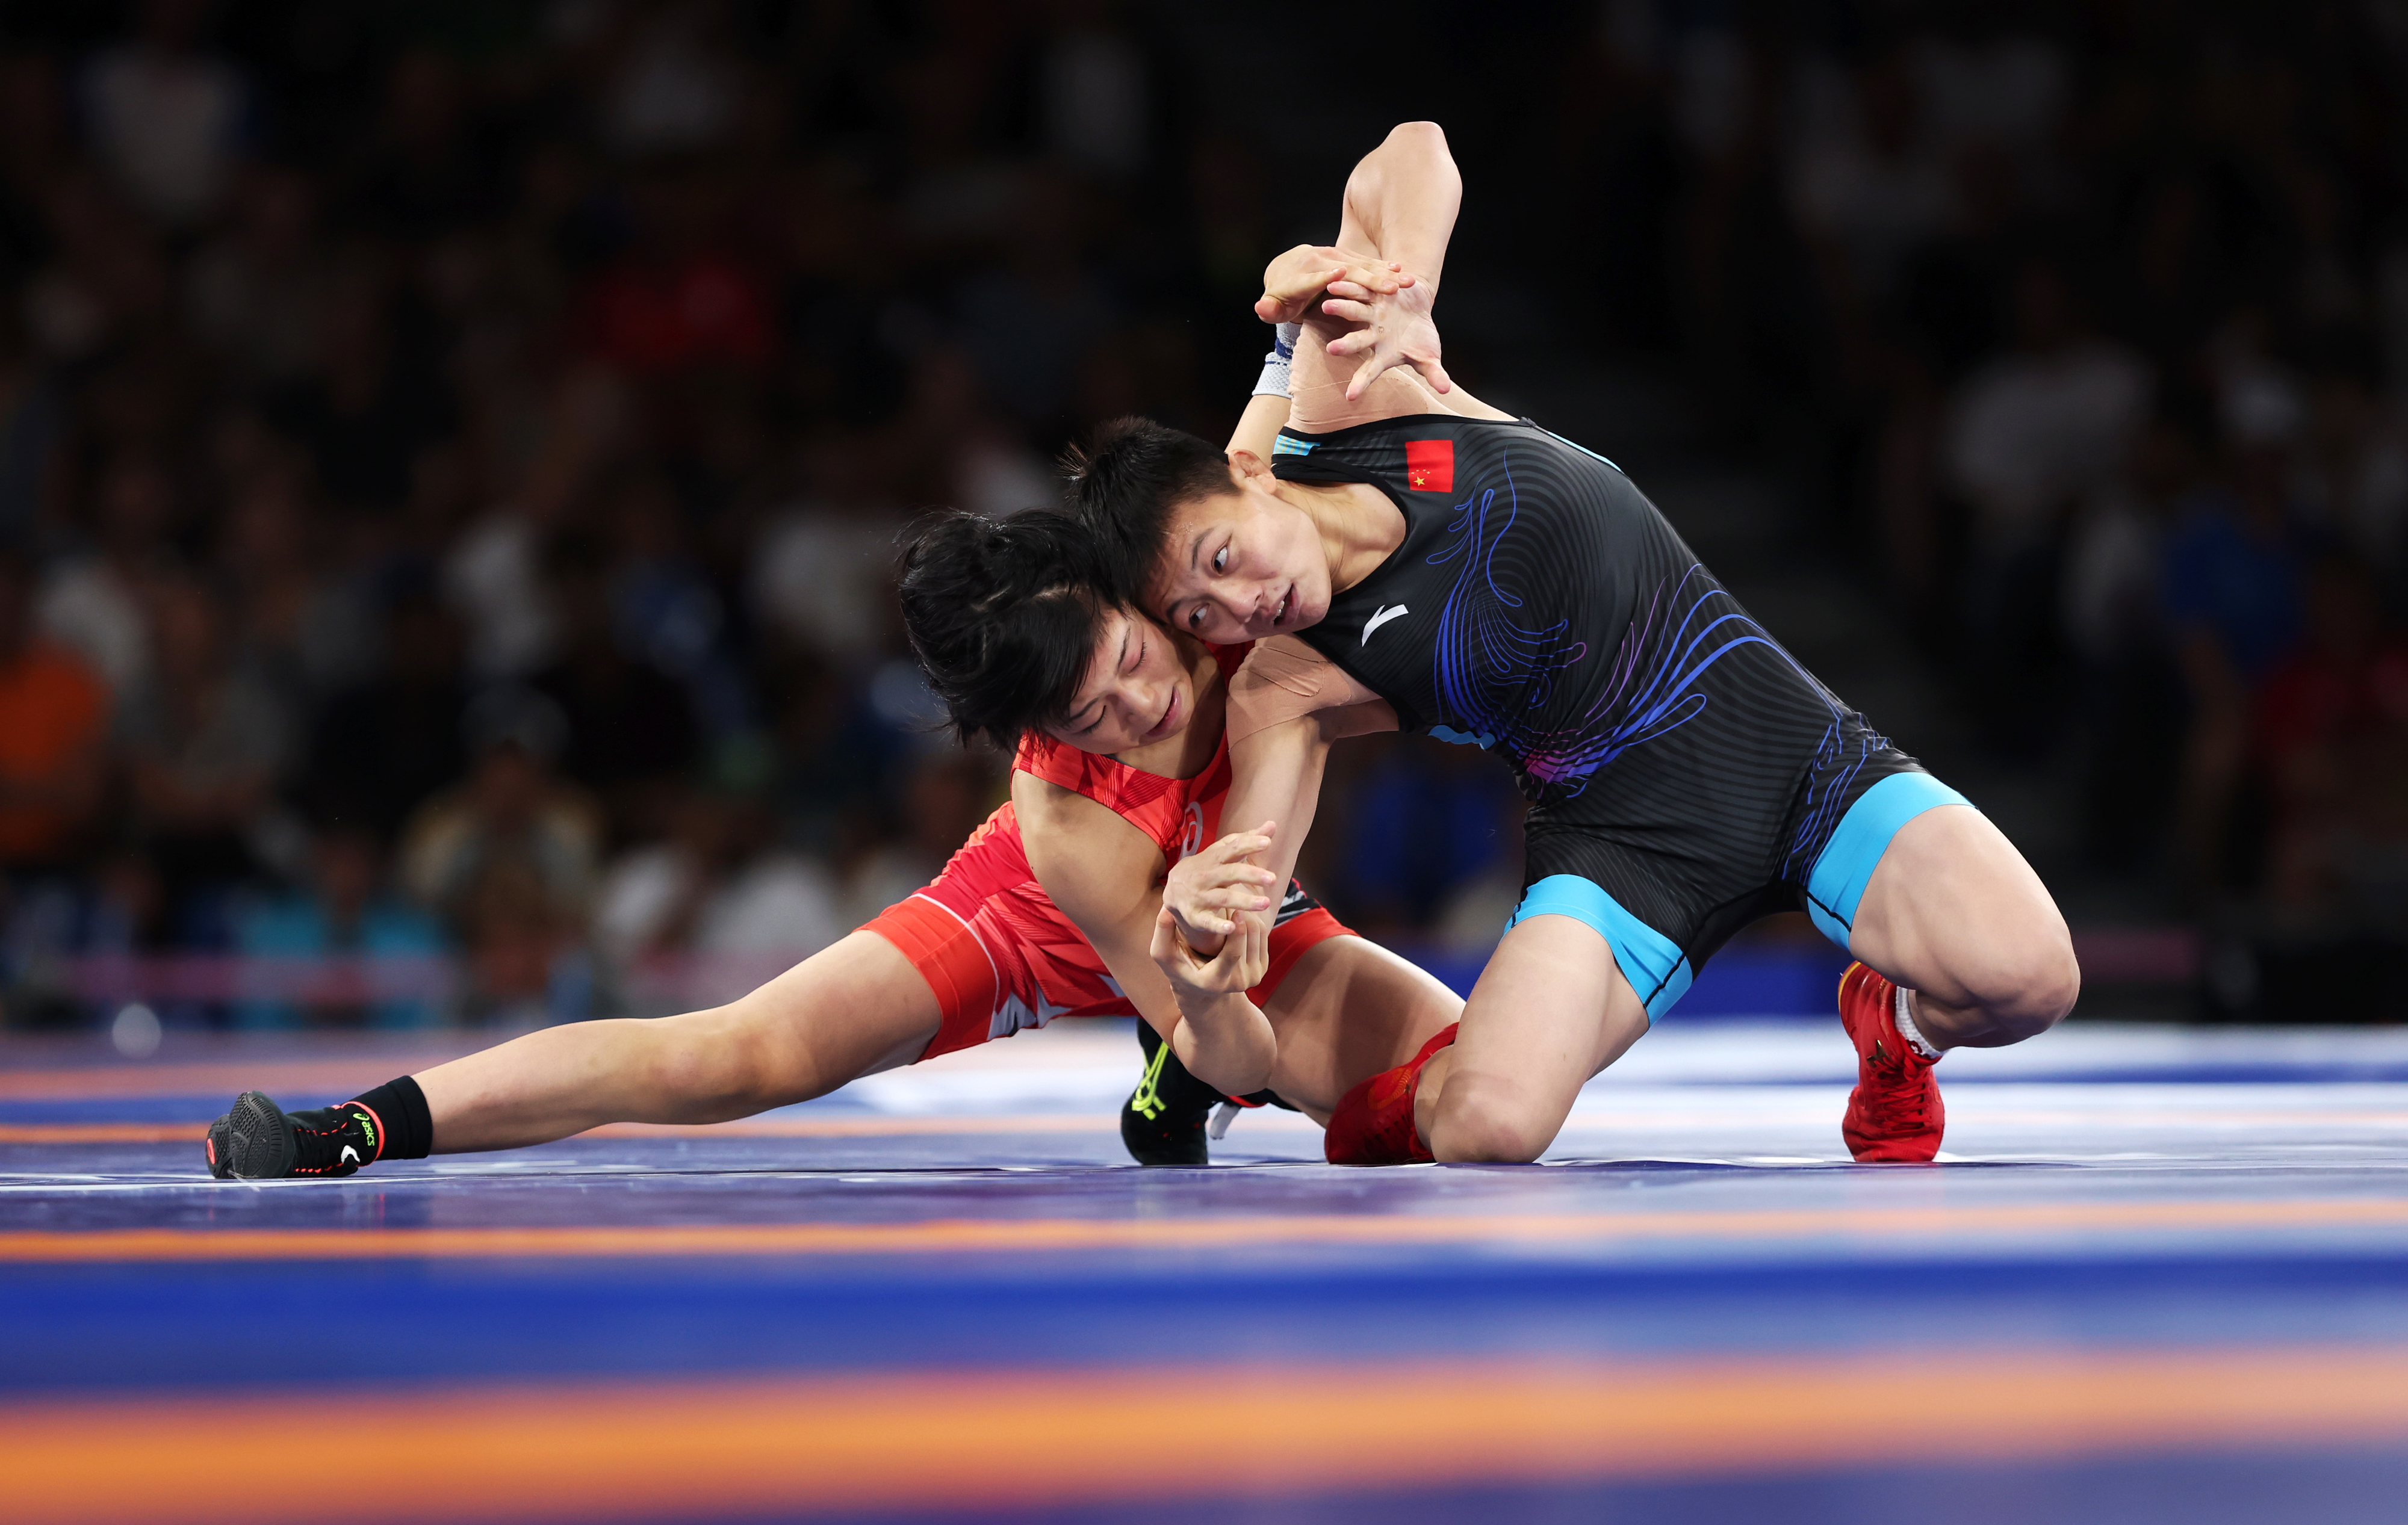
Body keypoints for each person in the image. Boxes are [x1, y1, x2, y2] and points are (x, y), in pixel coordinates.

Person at [917, 121, 2081, 1167]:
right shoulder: (1284, 688)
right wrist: (1204, 961)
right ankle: (1370, 1120)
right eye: (1201, 618)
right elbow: (1254, 893)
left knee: (2030, 978)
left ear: (1246, 470)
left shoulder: (1358, 392)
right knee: (1488, 1128)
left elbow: (1406, 152)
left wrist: (1399, 288)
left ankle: (1896, 1025)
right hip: (1624, 852)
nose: (1244, 608)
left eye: (1225, 562)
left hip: (1794, 760)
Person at [202, 318, 1462, 1181]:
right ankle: (361, 1125)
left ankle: (1166, 1092)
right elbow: (1222, 1037)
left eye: (1134, 661)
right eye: (1087, 716)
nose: (1136, 706)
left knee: (1456, 1094)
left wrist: (1307, 307)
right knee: (733, 1056)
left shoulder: (1203, 560)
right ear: (1037, 735)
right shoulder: (1065, 822)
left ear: (1122, 586)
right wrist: (1188, 985)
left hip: (1218, 898)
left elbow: (1289, 376)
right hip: (1060, 916)